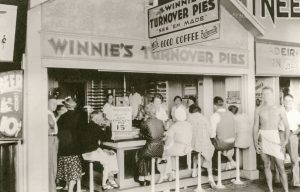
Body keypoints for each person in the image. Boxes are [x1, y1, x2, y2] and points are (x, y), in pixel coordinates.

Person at [253, 87, 290, 192]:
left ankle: (286, 190)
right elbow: (255, 127)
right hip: (263, 136)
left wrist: (286, 140)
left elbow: (287, 126)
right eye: (263, 94)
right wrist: (255, 142)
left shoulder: (280, 108)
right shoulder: (258, 109)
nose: (265, 96)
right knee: (266, 165)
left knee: (281, 167)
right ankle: (270, 190)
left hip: (275, 136)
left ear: (272, 94)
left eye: (268, 94)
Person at [81, 111, 119, 190]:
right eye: (102, 117)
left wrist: (102, 150)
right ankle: (104, 184)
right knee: (108, 158)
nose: (103, 119)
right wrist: (108, 126)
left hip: (89, 151)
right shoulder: (95, 127)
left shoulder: (88, 126)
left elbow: (92, 142)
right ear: (96, 119)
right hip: (89, 153)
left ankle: (111, 179)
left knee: (111, 155)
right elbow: (107, 137)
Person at [56, 98, 83, 192]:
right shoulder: (79, 116)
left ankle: (67, 187)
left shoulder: (62, 117)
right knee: (74, 171)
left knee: (66, 169)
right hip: (73, 148)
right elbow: (81, 133)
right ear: (74, 106)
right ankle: (70, 190)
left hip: (63, 148)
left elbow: (58, 131)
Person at [187, 105, 216, 189]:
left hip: (193, 145)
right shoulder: (204, 118)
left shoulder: (189, 118)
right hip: (204, 144)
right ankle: (210, 177)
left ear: (191, 111)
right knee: (208, 156)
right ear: (199, 111)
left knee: (196, 151)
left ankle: (194, 171)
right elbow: (211, 134)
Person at [161, 107, 193, 182]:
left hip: (179, 149)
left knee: (164, 151)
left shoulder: (174, 126)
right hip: (187, 149)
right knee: (172, 153)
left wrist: (165, 141)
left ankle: (165, 174)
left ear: (176, 116)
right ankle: (172, 173)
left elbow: (167, 142)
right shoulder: (189, 124)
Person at [136, 103, 165, 186]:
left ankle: (142, 177)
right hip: (160, 149)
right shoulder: (160, 121)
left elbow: (141, 134)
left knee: (140, 154)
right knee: (146, 156)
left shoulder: (145, 122)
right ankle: (147, 177)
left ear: (147, 112)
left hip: (150, 148)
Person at [210, 96, 236, 169]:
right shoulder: (231, 114)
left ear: (214, 105)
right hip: (232, 143)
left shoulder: (215, 115)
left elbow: (212, 134)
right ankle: (230, 161)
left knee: (210, 142)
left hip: (222, 144)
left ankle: (215, 168)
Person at [280, 94, 300, 187]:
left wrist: (295, 132)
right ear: (283, 101)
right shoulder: (279, 111)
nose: (287, 102)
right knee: (279, 158)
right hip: (281, 135)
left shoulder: (296, 113)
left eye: (289, 101)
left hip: (292, 135)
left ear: (292, 102)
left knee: (294, 159)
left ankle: (296, 182)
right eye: (286, 100)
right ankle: (279, 181)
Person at [48, 98, 60, 192]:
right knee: (52, 163)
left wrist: (58, 115)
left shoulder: (50, 113)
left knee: (53, 163)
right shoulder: (47, 113)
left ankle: (52, 186)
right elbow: (51, 124)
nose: (55, 106)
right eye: (53, 104)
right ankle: (52, 188)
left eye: (56, 104)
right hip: (50, 138)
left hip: (53, 137)